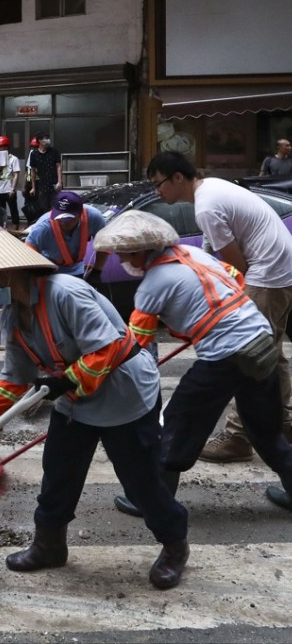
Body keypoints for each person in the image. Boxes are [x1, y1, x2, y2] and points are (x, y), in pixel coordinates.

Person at [0, 226, 189, 590]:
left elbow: (107, 348)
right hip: (75, 401)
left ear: (14, 272)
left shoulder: (66, 293)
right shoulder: (13, 315)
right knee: (59, 473)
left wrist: (66, 380)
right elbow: (14, 375)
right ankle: (49, 545)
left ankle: (174, 546)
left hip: (123, 396)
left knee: (142, 483)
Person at [93, 210, 292, 516]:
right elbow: (236, 278)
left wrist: (100, 376)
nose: (121, 262)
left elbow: (135, 345)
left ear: (138, 251)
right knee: (263, 428)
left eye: (122, 256)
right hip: (261, 341)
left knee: (178, 422)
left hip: (226, 354)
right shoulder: (196, 255)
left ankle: (153, 501)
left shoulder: (152, 285)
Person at [148, 151, 292, 462]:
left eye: (159, 185)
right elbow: (213, 251)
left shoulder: (207, 206)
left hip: (267, 273)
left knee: (248, 354)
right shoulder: (211, 189)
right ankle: (284, 422)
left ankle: (239, 438)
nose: (158, 192)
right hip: (280, 269)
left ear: (177, 178)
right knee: (271, 351)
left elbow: (235, 266)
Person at [24, 191, 109, 281]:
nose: (63, 222)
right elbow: (29, 250)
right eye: (60, 218)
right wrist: (38, 270)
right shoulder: (43, 226)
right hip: (50, 270)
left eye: (68, 218)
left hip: (76, 269)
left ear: (80, 214)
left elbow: (104, 245)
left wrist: (97, 270)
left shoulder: (94, 218)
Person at [27, 131, 62, 216]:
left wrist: (59, 182)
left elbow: (58, 166)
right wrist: (33, 187)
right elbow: (33, 171)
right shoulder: (34, 154)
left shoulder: (53, 151)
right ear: (39, 140)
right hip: (42, 185)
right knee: (44, 209)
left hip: (54, 184)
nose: (47, 140)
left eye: (47, 138)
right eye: (45, 138)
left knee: (55, 208)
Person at [0, 135, 21, 230]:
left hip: (9, 189)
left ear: (6, 147)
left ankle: (15, 229)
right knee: (1, 211)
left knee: (13, 210)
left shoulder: (14, 159)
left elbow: (16, 174)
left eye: (1, 147)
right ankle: (2, 229)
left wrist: (13, 189)